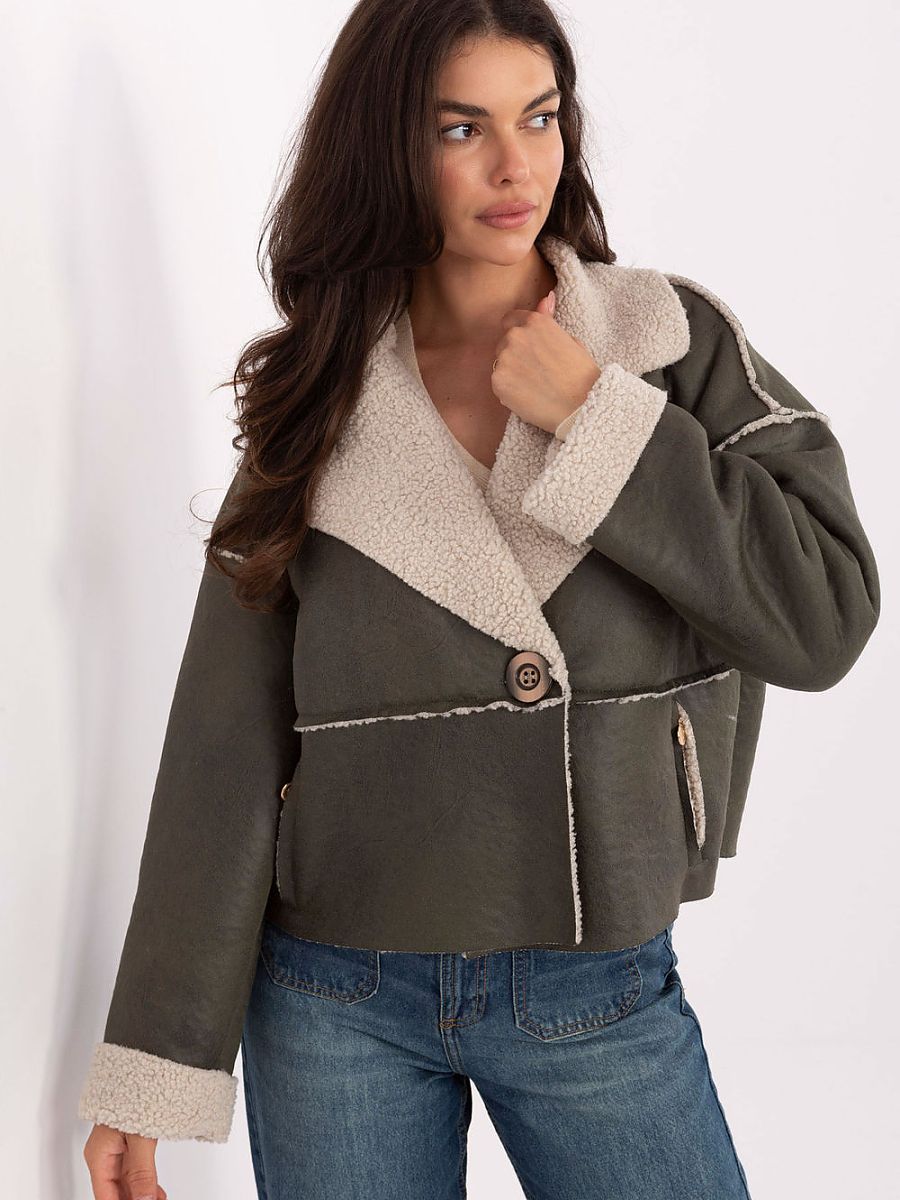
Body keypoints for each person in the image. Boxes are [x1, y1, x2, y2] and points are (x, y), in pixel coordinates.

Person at [78, 1, 881, 1197]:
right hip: (335, 996)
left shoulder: (666, 343)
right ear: (386, 147)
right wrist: (155, 1064)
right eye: (463, 128)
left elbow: (824, 617)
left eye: (539, 117)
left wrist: (601, 422)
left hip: (593, 983)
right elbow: (224, 743)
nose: (518, 167)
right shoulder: (317, 396)